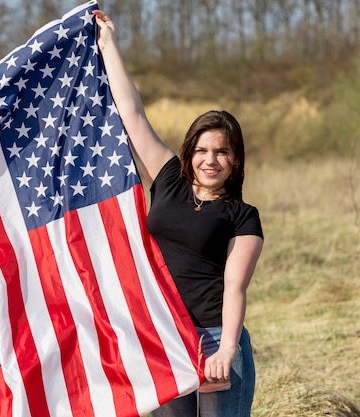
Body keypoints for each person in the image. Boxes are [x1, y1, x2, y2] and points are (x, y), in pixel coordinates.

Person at [94, 10, 264, 417]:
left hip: (212, 339)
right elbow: (133, 116)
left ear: (236, 160)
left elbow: (234, 287)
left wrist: (226, 348)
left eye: (222, 151)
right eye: (202, 150)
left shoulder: (243, 216)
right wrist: (108, 45)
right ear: (189, 151)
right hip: (163, 335)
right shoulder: (168, 178)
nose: (211, 160)